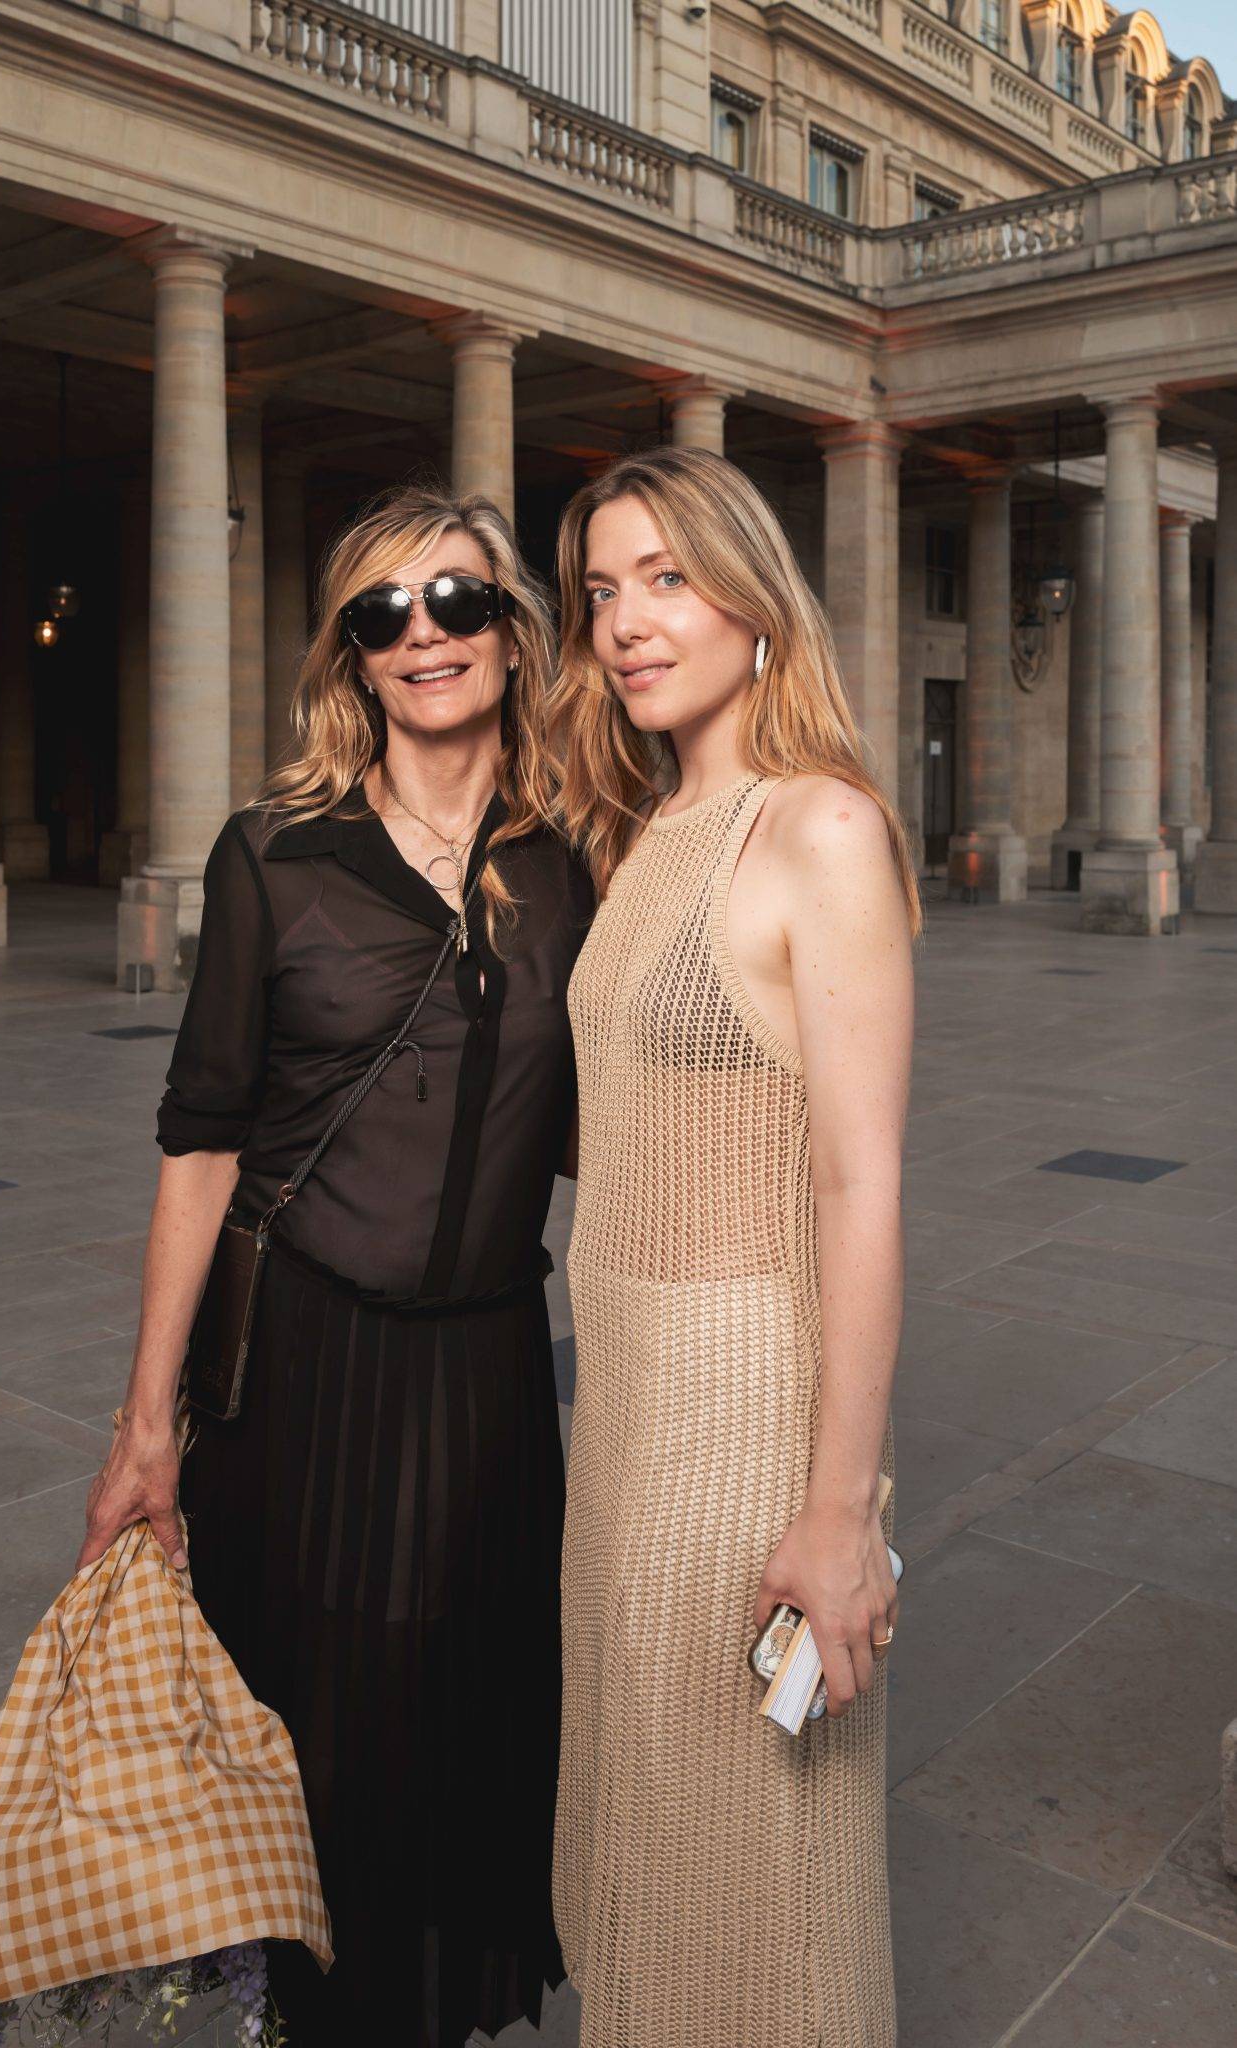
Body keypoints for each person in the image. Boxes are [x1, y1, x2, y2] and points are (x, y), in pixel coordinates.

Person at [76, 483, 591, 2047]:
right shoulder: (275, 856)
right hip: (305, 1369)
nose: (421, 636)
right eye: (382, 615)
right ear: (353, 660)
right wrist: (144, 1424)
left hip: (493, 1370)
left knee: (467, 1727)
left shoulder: (573, 861)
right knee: (317, 1735)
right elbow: (201, 1141)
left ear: (510, 632)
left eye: (454, 603)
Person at [548, 444, 920, 2048]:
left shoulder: (820, 827)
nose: (630, 621)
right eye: (603, 590)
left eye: (668, 578)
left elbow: (862, 1183)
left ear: (756, 600)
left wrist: (837, 1511)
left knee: (752, 1861)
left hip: (742, 1403)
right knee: (639, 1829)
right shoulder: (642, 835)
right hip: (619, 1400)